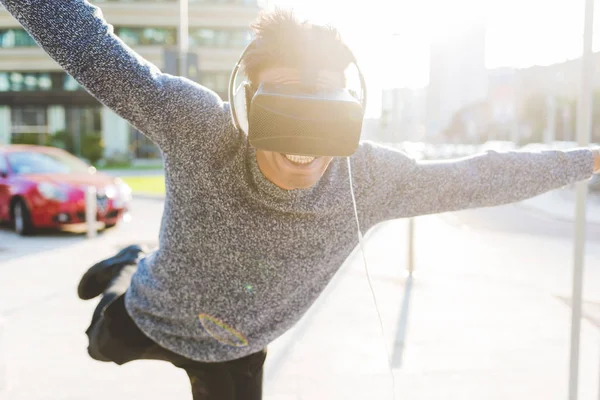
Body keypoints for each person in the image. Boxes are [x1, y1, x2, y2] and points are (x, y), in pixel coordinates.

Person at [3, 1, 599, 399]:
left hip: (237, 352)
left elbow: (483, 175)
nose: (304, 140)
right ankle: (128, 263)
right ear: (244, 104)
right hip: (151, 310)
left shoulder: (370, 178)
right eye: (285, 104)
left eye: (325, 108)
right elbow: (95, 49)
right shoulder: (197, 127)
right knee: (96, 348)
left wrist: (591, 159)